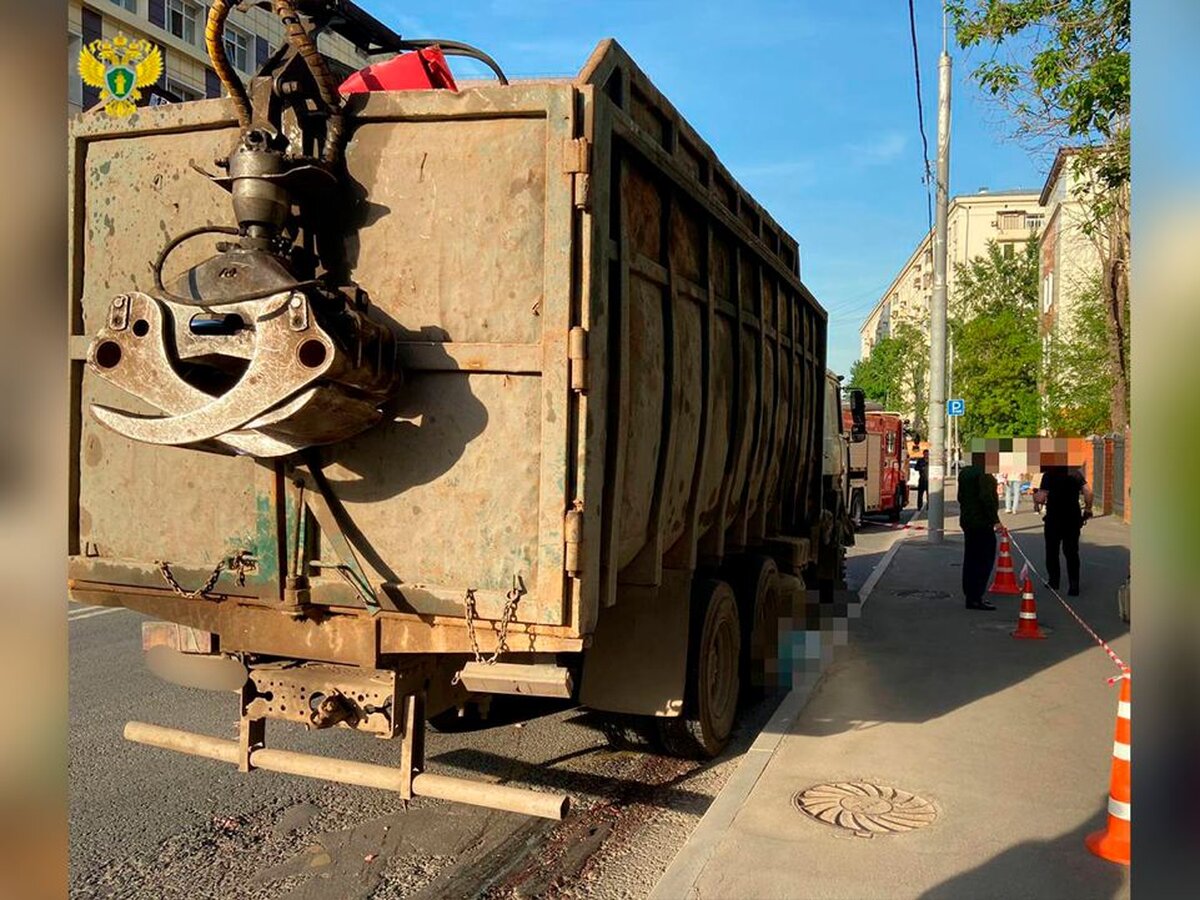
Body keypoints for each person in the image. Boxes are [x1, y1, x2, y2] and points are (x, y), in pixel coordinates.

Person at [1034, 465, 1094, 596]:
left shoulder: (1048, 475)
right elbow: (1088, 492)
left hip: (1054, 518)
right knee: (1072, 551)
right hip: (1072, 518)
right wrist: (1088, 509)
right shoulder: (1075, 474)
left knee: (1052, 550)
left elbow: (1041, 498)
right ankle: (1074, 585)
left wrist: (1036, 499)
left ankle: (1054, 581)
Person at [958, 458, 1001, 610]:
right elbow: (986, 498)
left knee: (970, 559)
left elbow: (960, 497)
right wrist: (995, 520)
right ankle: (976, 597)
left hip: (968, 520)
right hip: (982, 522)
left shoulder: (965, 473)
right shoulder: (984, 474)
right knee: (984, 559)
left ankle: (970, 595)